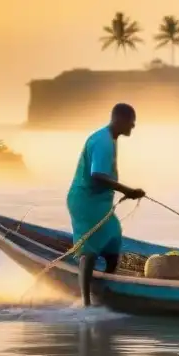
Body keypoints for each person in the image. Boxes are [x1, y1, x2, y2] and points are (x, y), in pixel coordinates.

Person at [67, 103, 145, 306]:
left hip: (100, 202)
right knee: (89, 249)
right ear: (120, 120)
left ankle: (105, 291)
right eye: (131, 121)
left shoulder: (111, 138)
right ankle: (86, 303)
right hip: (86, 202)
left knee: (113, 237)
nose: (133, 126)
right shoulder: (103, 141)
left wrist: (126, 192)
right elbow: (98, 175)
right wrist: (126, 190)